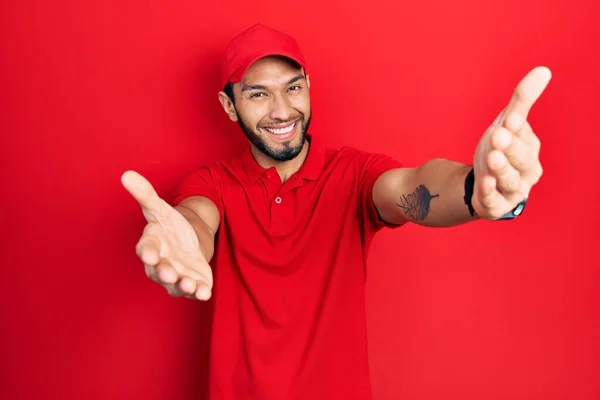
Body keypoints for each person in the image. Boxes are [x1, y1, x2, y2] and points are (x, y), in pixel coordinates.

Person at [121, 23, 551, 400]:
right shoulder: (211, 183)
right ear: (229, 105)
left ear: (308, 84)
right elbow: (196, 219)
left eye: (293, 87)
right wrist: (184, 240)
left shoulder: (354, 173)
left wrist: (475, 190)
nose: (282, 110)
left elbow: (411, 187)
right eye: (257, 94)